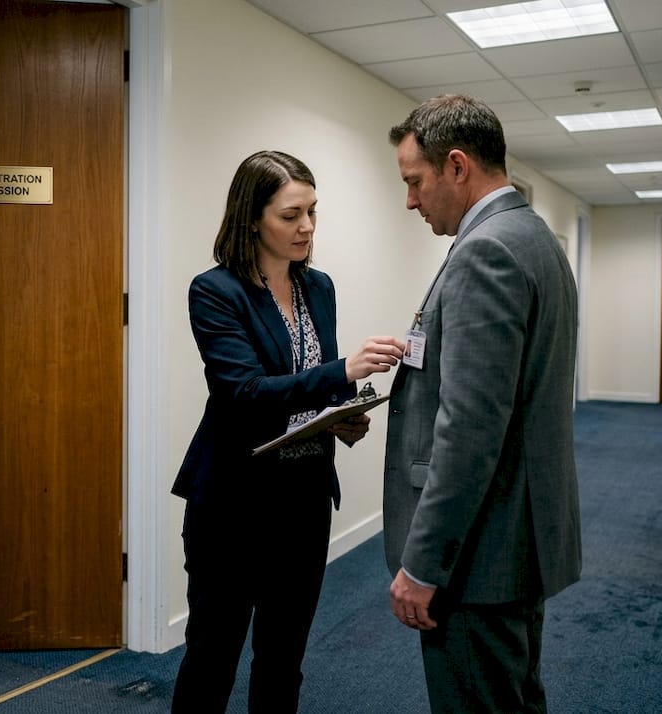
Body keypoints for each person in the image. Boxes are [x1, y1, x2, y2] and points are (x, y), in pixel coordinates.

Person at [171, 150, 405, 713]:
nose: (307, 227)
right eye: (290, 215)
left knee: (283, 656)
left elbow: (312, 381)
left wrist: (342, 413)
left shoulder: (318, 287)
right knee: (213, 654)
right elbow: (244, 394)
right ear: (252, 218)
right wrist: (343, 371)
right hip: (233, 502)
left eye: (313, 212)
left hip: (303, 498)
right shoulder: (215, 291)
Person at [382, 95, 581, 713]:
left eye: (416, 181)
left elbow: (469, 431)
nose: (410, 200)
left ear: (458, 167)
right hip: (518, 534)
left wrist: (424, 565)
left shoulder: (484, 253)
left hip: (479, 553)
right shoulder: (534, 237)